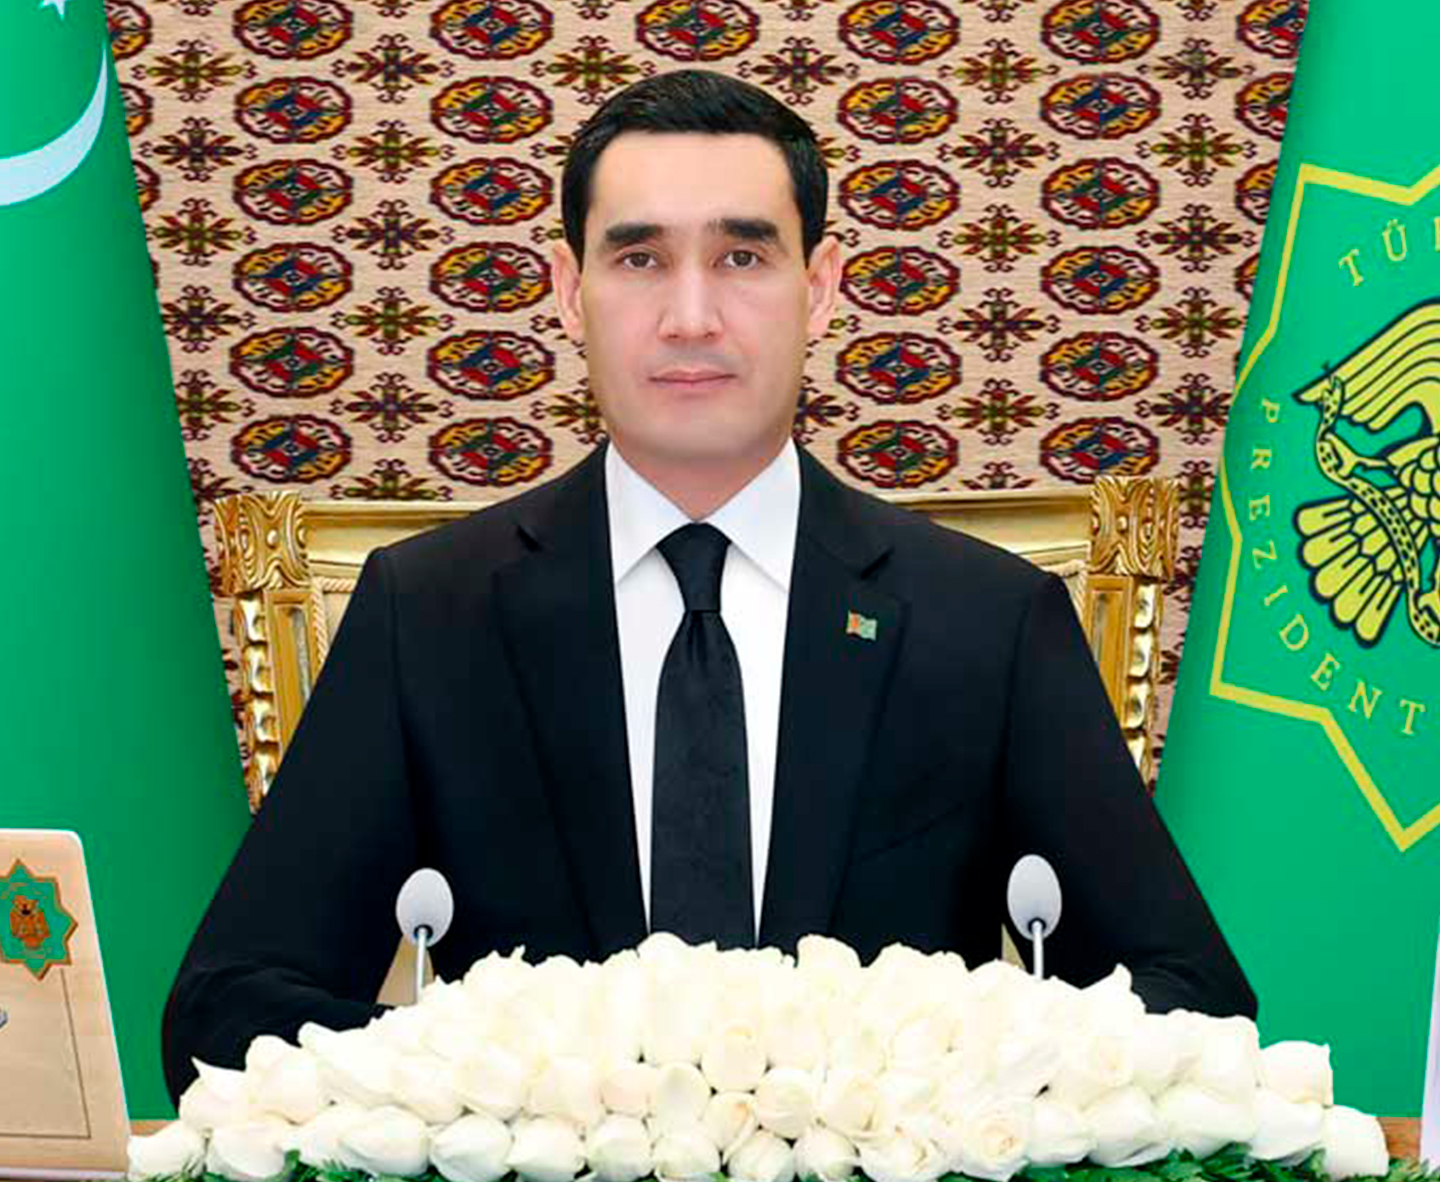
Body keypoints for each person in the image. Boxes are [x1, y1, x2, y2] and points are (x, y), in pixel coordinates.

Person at [161, 69, 1254, 1105]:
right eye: (640, 258)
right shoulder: (432, 616)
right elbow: (227, 1009)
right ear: (569, 291)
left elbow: (1195, 1005)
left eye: (742, 257)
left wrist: (938, 1097)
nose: (691, 315)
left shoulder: (987, 623)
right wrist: (502, 1100)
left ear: (819, 288)